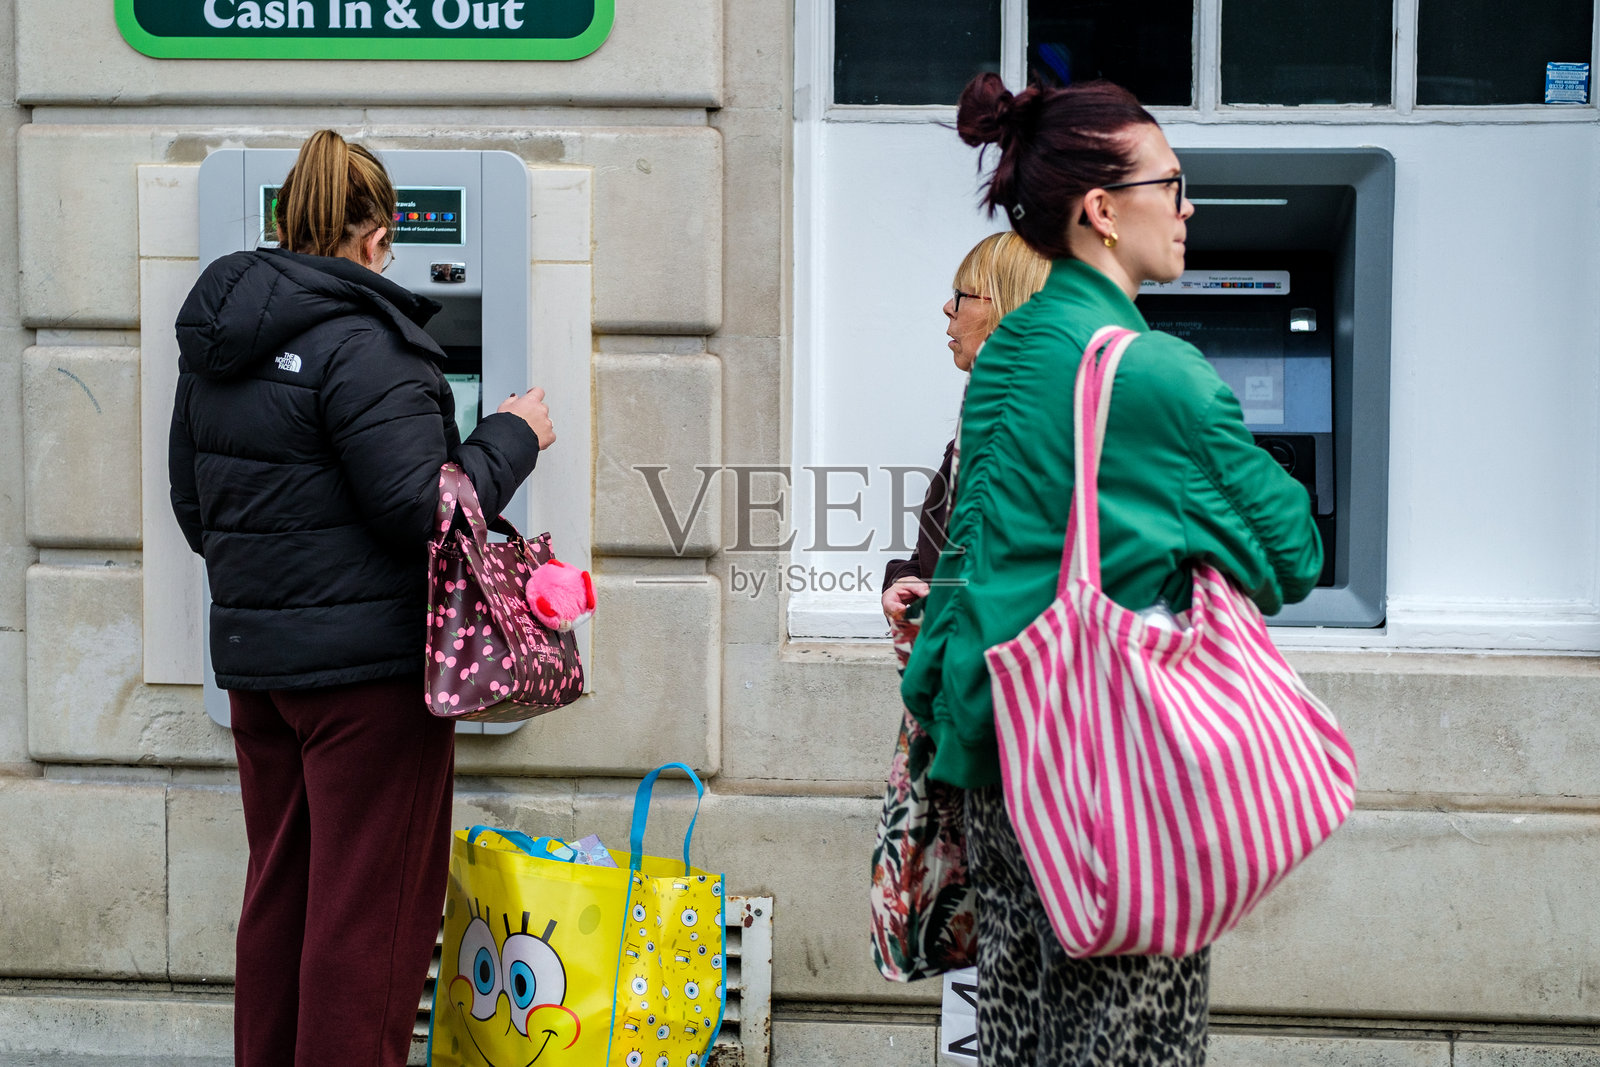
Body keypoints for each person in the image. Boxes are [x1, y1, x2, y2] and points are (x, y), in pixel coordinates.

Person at [901, 75, 1324, 1066]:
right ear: (1099, 210)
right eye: (1172, 183)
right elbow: (1293, 550)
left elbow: (972, 557)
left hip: (1001, 758)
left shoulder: (1008, 356)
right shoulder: (1154, 372)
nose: (1187, 206)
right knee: (1129, 1045)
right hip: (1112, 771)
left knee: (1020, 1037)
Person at [168, 130, 554, 1067]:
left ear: (284, 220)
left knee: (284, 900)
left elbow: (193, 505)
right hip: (368, 685)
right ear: (378, 239)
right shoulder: (365, 341)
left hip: (262, 676)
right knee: (367, 925)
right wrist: (511, 434)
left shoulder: (219, 342)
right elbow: (423, 507)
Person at [880, 231, 1049, 630]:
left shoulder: (1042, 428)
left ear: (1011, 305)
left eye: (962, 295)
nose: (947, 308)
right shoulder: (983, 423)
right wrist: (906, 581)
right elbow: (942, 554)